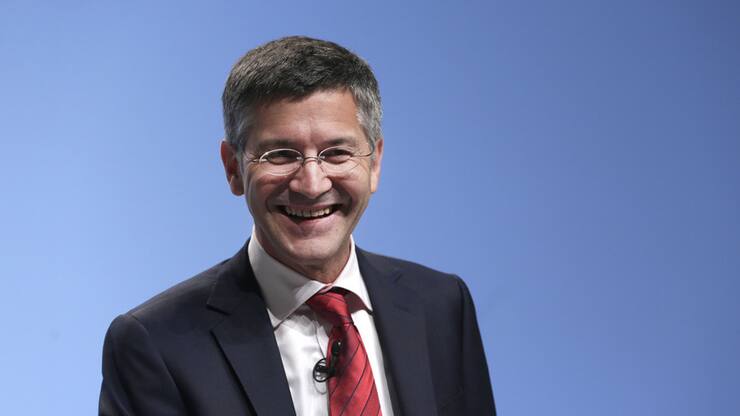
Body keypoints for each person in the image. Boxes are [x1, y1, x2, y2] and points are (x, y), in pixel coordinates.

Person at [99, 36, 495, 416]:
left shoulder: (442, 305)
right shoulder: (155, 345)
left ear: (374, 163)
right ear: (233, 168)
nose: (311, 184)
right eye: (280, 154)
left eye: (337, 153)